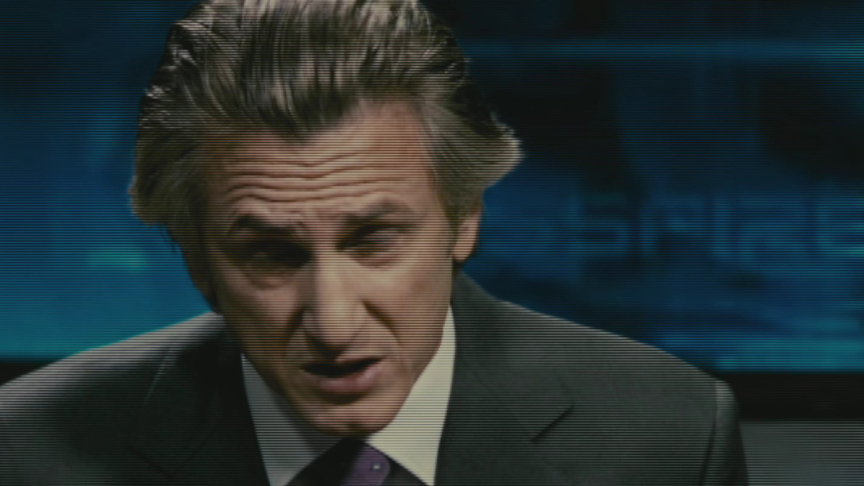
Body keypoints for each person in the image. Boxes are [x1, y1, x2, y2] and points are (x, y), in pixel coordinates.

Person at [0, 0, 748, 484]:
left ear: (464, 218)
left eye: (374, 240)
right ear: (195, 256)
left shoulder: (670, 436)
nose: (333, 323)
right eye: (270, 254)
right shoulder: (28, 450)